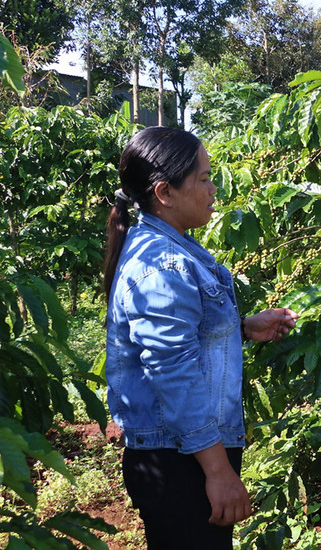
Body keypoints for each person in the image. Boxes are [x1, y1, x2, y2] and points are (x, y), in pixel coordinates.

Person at [103, 127, 298, 549]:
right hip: (182, 459)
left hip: (185, 452)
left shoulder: (173, 248)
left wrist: (242, 327)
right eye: (204, 179)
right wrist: (218, 472)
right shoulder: (164, 263)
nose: (213, 190)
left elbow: (182, 339)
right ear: (164, 192)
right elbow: (172, 371)